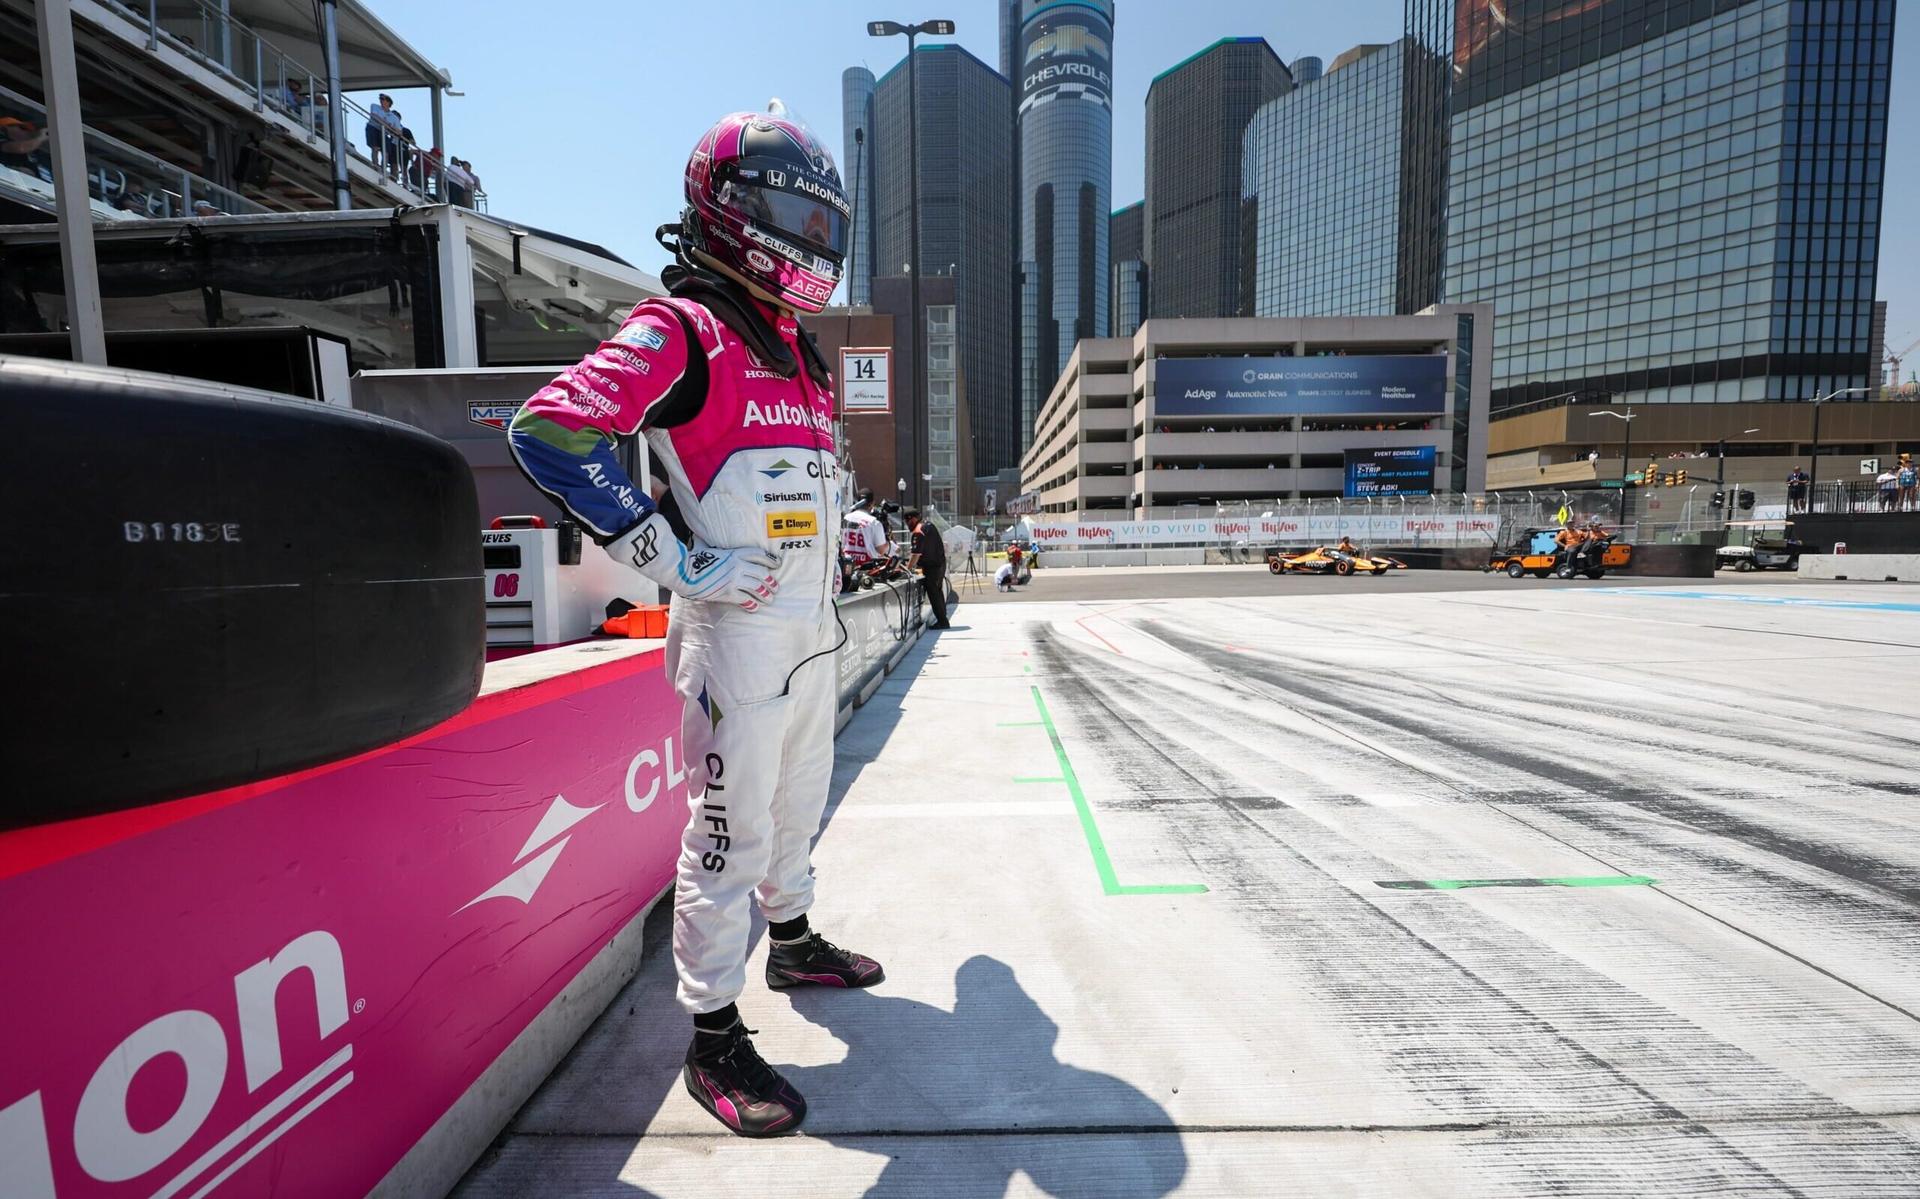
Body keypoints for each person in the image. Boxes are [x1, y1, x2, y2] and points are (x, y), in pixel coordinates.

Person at [506, 103, 876, 1139]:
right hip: (735, 637)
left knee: (799, 807)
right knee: (727, 835)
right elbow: (552, 426)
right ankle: (712, 1032)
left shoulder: (799, 348)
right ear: (730, 208)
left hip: (810, 631)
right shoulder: (683, 329)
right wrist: (670, 558)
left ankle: (794, 939)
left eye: (819, 220)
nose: (807, 239)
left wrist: (836, 541)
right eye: (787, 214)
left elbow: (795, 489)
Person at [906, 509, 949, 629]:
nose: (907, 525)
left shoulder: (918, 530)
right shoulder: (928, 525)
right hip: (940, 563)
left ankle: (943, 622)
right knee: (938, 592)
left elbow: (915, 554)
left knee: (934, 594)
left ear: (913, 519)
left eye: (907, 521)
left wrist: (907, 569)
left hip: (932, 567)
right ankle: (942, 618)